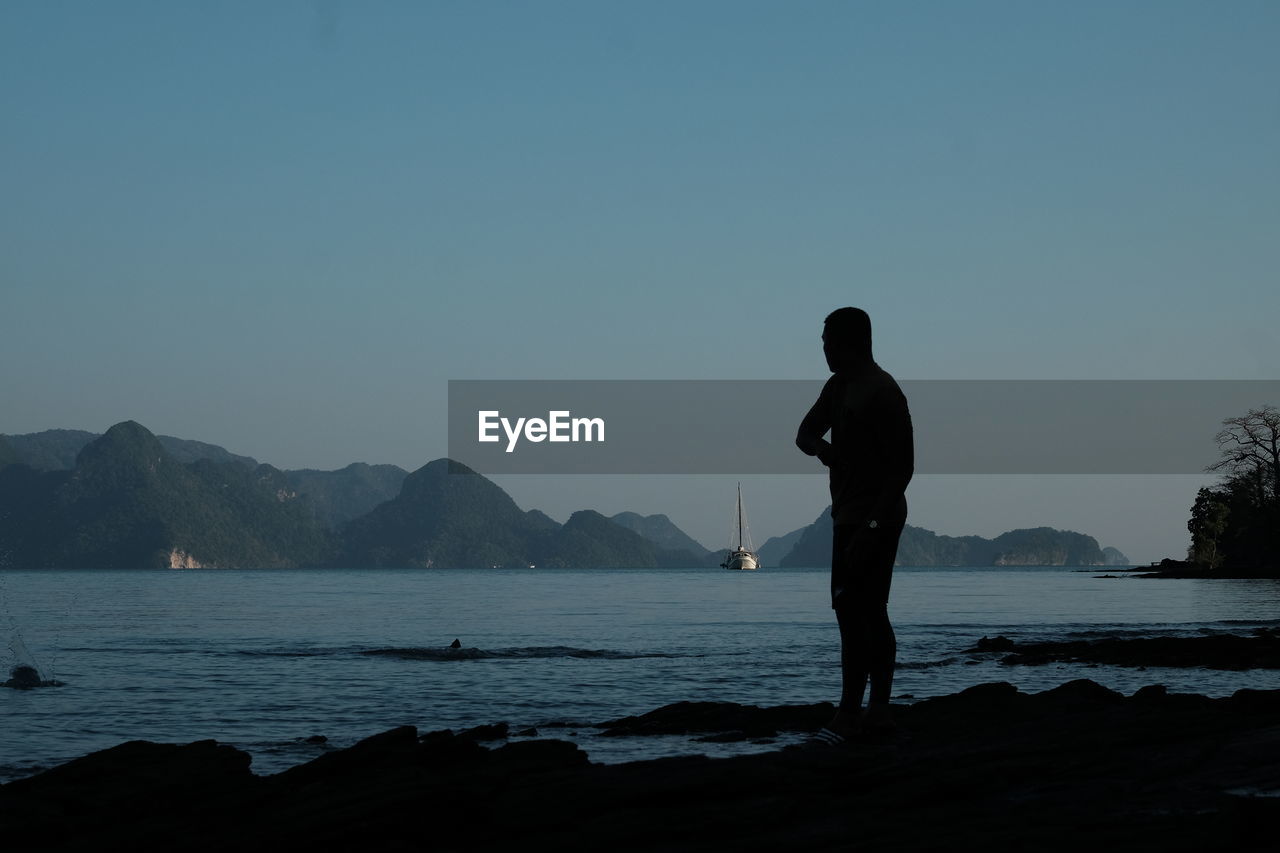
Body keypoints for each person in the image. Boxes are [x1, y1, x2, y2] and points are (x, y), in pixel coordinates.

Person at [796, 307, 913, 741]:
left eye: (828, 342)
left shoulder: (884, 392)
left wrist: (875, 526)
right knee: (850, 610)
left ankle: (869, 709)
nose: (823, 350)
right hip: (846, 515)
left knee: (870, 611)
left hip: (877, 515)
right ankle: (856, 709)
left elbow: (903, 468)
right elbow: (804, 434)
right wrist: (823, 451)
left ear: (852, 342)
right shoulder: (837, 387)